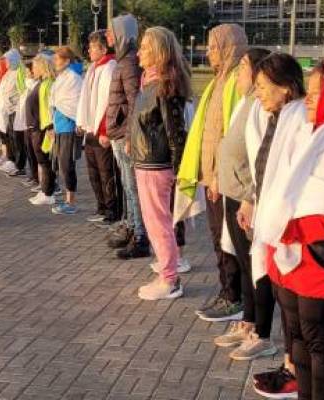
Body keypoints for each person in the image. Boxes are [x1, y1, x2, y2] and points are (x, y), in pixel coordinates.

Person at [253, 62, 324, 400]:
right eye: (310, 90)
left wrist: (281, 222)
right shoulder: (311, 130)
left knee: (317, 339)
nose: (308, 98)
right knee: (297, 336)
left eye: (318, 92)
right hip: (292, 251)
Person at [244, 53, 307, 399]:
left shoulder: (298, 121)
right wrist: (253, 200)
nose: (258, 94)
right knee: (287, 304)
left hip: (291, 228)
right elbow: (265, 167)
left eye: (263, 88)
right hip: (273, 220)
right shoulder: (278, 117)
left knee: (297, 310)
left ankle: (296, 372)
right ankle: (290, 365)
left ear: (285, 88)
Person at [176, 24, 247, 321]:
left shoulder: (235, 82)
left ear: (230, 47)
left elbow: (231, 135)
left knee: (227, 239)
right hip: (213, 176)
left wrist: (218, 175)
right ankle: (228, 292)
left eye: (214, 47)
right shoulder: (220, 79)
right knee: (218, 237)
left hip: (225, 179)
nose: (209, 52)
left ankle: (233, 298)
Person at [212, 48, 279, 362]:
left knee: (258, 269)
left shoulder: (262, 106)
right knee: (243, 263)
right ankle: (248, 321)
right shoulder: (245, 102)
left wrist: (251, 196)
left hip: (247, 198)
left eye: (243, 67)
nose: (238, 73)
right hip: (234, 195)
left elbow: (262, 158)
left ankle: (262, 334)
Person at [130, 26, 192, 300]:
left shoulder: (166, 84)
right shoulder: (150, 82)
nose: (139, 52)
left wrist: (179, 171)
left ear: (157, 52)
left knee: (158, 223)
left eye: (144, 47)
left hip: (157, 165)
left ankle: (169, 279)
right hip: (146, 162)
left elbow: (175, 132)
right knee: (155, 221)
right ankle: (167, 271)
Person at [105, 14, 150, 260]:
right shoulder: (124, 60)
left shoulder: (129, 62)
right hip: (119, 134)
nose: (108, 37)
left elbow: (135, 101)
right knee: (128, 186)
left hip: (125, 136)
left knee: (132, 187)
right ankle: (133, 228)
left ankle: (140, 237)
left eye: (111, 32)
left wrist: (130, 135)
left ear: (122, 34)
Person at [77, 31, 118, 226]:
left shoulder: (110, 67)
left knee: (106, 172)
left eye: (93, 47)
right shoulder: (93, 68)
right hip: (91, 129)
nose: (89, 50)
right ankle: (101, 207)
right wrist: (81, 122)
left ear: (103, 49)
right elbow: (86, 98)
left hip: (102, 131)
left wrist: (105, 131)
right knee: (93, 172)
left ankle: (111, 210)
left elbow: (109, 102)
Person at [49, 47, 83, 215]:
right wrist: (52, 126)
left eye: (57, 59)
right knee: (61, 165)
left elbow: (76, 103)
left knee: (67, 164)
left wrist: (78, 121)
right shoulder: (61, 78)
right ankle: (68, 199)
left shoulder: (74, 79)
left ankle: (71, 202)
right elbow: (55, 102)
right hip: (59, 127)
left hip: (69, 127)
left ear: (67, 61)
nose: (54, 63)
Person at [27, 53, 57, 206]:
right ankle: (45, 189)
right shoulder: (41, 82)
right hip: (36, 127)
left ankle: (48, 192)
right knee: (42, 160)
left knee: (45, 161)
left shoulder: (48, 83)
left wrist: (49, 127)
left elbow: (48, 108)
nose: (32, 69)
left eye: (34, 66)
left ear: (41, 66)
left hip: (43, 128)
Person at [0, 49, 24, 175]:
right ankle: (11, 160)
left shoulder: (20, 72)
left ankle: (18, 164)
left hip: (15, 109)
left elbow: (22, 90)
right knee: (9, 136)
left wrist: (13, 101)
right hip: (6, 110)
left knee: (16, 138)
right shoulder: (9, 73)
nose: (6, 63)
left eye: (7, 60)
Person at [12, 62, 37, 178]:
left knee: (34, 153)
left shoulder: (34, 86)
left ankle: (37, 178)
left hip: (31, 124)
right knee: (27, 150)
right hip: (22, 122)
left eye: (27, 72)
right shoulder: (26, 87)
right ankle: (33, 176)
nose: (25, 74)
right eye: (25, 72)